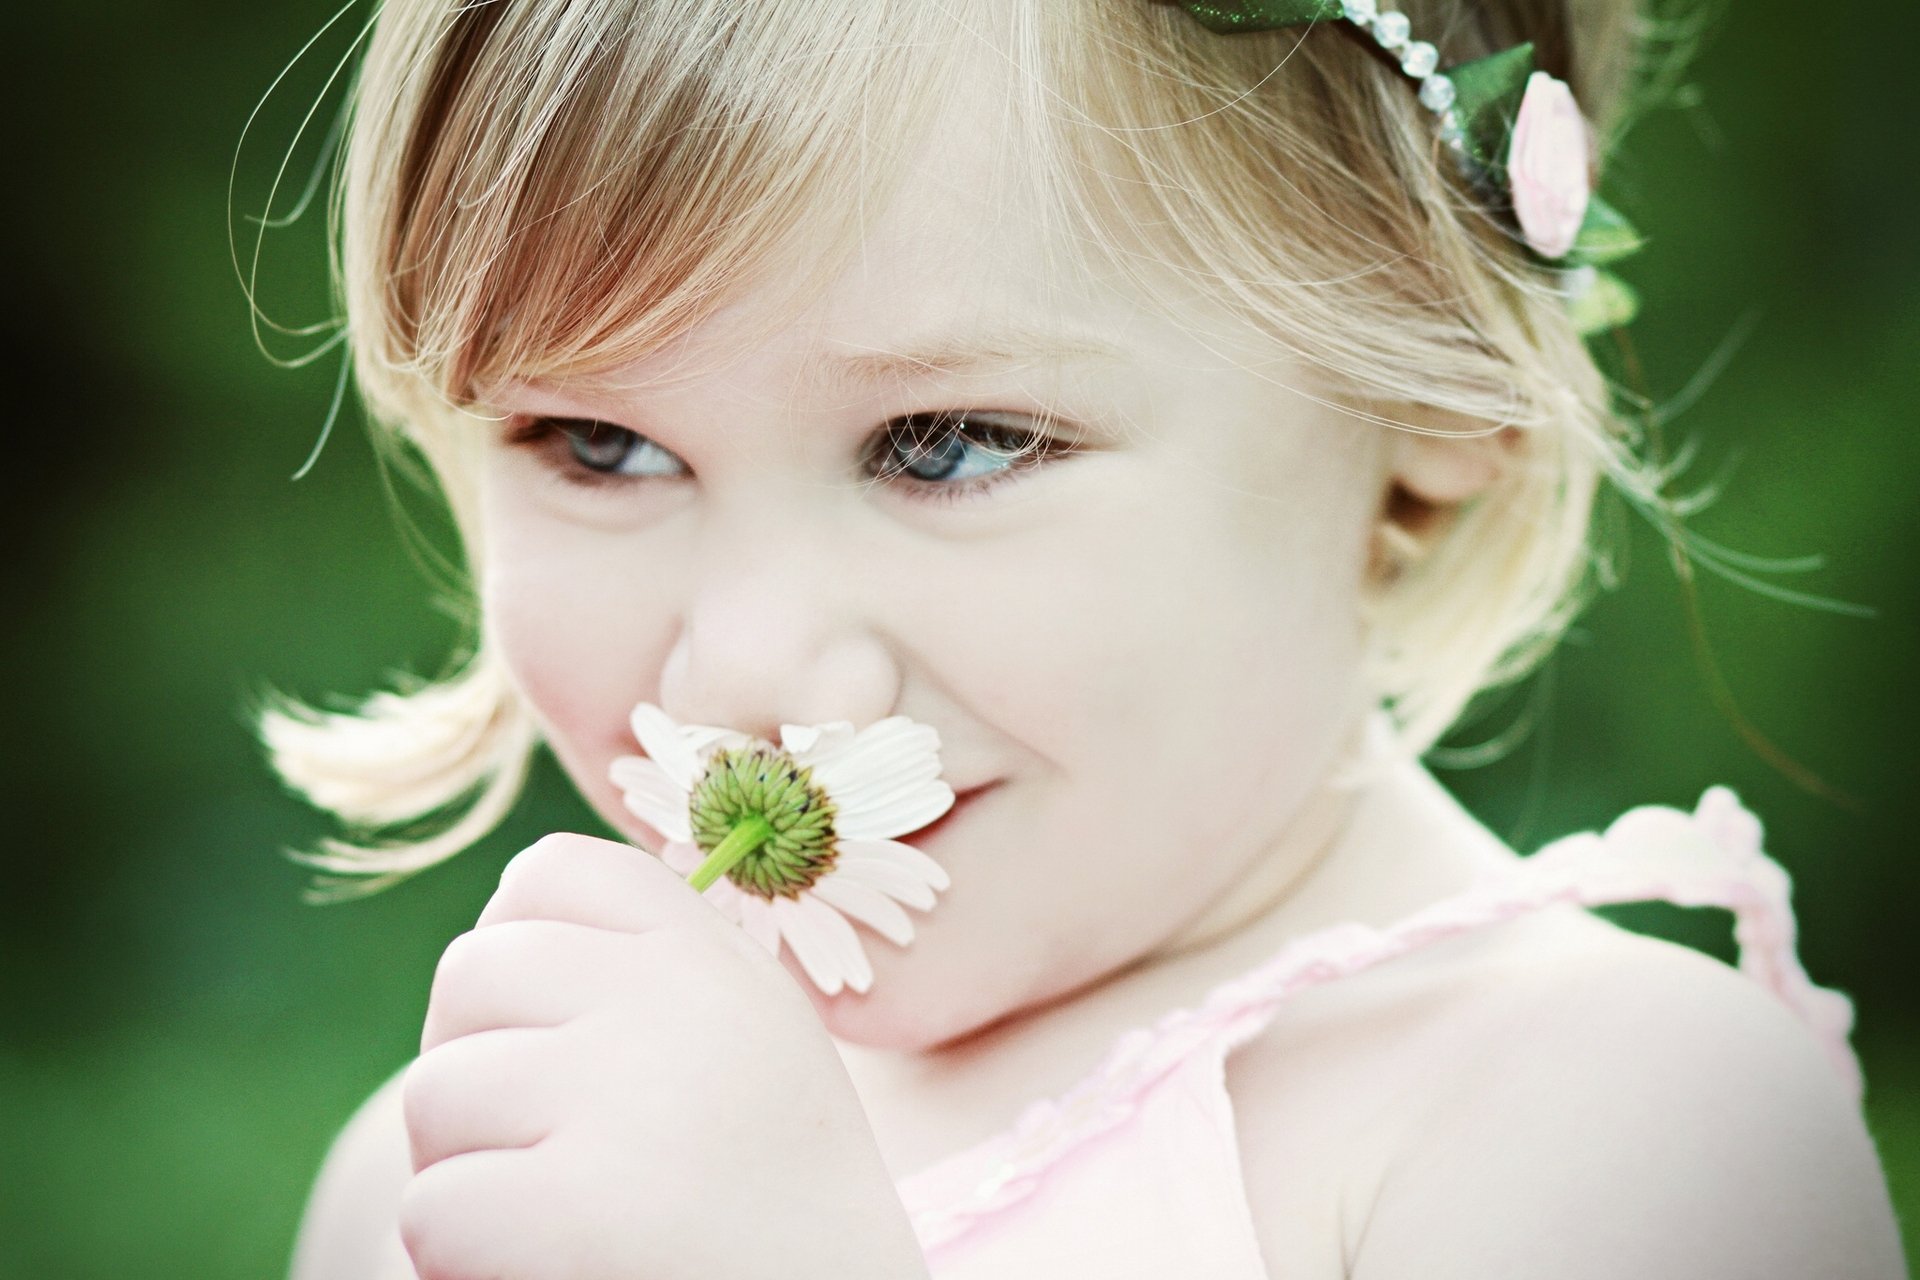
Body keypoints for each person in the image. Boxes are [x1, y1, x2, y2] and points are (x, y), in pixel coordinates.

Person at [267, 0, 1904, 1275]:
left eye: (949, 444)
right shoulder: (442, 1174)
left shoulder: (1614, 1126)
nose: (746, 671)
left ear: (1434, 383)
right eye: (599, 444)